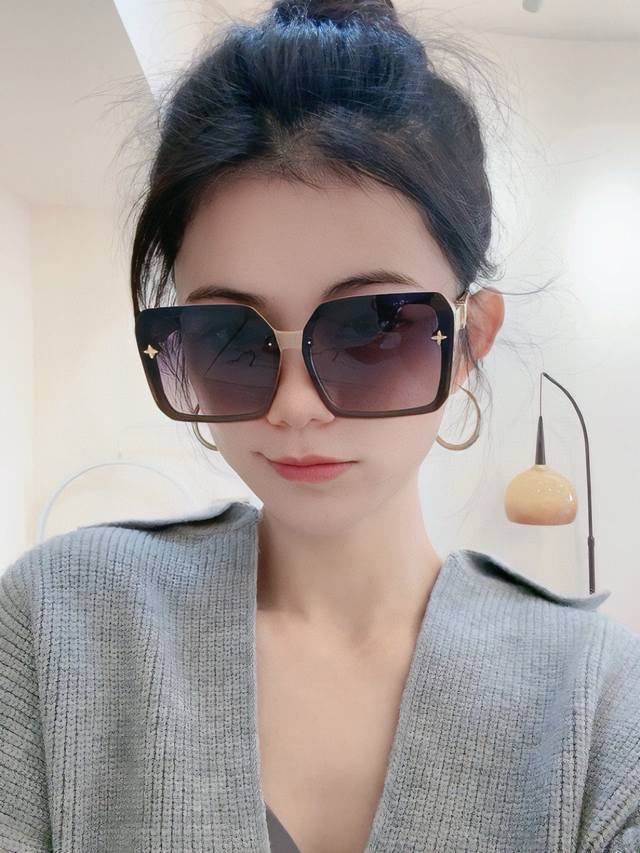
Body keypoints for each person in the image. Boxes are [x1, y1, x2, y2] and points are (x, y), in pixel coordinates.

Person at [1, 1, 639, 851]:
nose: (294, 405)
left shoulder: (602, 707)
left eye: (373, 330)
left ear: (469, 341)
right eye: (229, 338)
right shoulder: (58, 626)